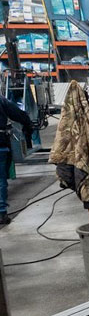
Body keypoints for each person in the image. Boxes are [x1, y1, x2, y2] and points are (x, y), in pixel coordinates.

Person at [0, 94, 34, 225]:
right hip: (1, 143)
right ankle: (1, 213)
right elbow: (19, 114)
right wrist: (28, 126)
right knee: (0, 180)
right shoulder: (2, 101)